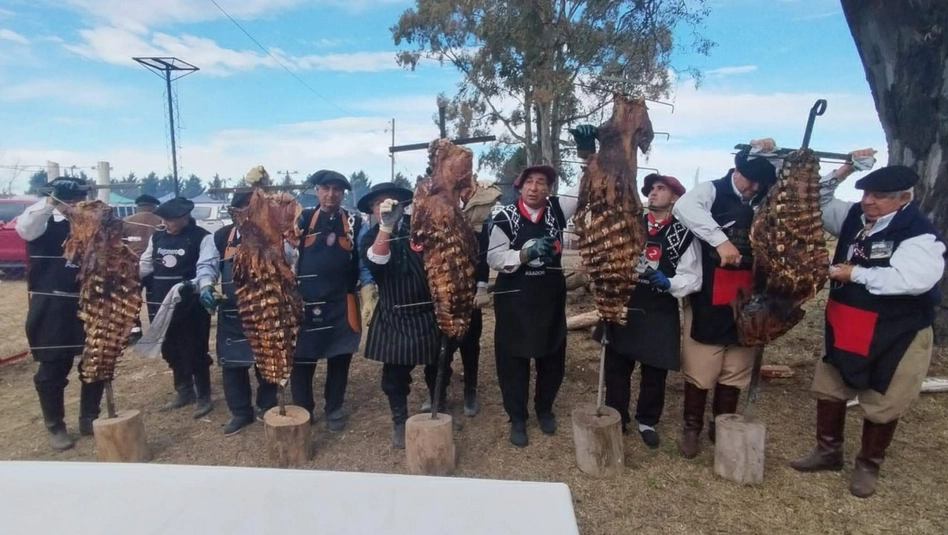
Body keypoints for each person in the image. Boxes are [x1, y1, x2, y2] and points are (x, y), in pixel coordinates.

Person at [790, 161, 944, 498]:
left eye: (879, 196)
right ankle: (828, 451)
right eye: (866, 194)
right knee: (830, 387)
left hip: (896, 330)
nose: (869, 201)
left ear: (904, 198)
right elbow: (818, 201)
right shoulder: (854, 217)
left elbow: (913, 281)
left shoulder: (919, 235)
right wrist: (844, 171)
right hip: (847, 320)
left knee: (885, 396)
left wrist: (855, 274)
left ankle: (868, 464)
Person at [671, 139, 780, 458]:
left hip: (751, 294)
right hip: (711, 291)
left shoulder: (765, 197)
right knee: (702, 365)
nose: (753, 188)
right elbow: (684, 208)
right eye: (750, 181)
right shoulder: (711, 190)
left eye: (759, 183)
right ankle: (692, 427)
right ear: (737, 171)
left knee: (737, 365)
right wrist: (720, 241)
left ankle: (722, 424)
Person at [595, 174, 700, 448]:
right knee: (617, 368)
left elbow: (693, 277)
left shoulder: (683, 234)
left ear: (675, 197)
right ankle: (617, 416)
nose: (652, 193)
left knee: (655, 371)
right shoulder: (631, 226)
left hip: (659, 309)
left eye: (660, 189)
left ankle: (647, 421)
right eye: (651, 189)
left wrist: (670, 283)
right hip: (625, 304)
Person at [487, 165, 577, 447]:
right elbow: (494, 258)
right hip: (515, 300)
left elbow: (584, 187)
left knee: (552, 357)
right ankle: (517, 417)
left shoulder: (558, 210)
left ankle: (544, 409)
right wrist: (525, 254)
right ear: (520, 186)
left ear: (549, 189)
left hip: (549, 298)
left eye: (541, 183)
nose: (534, 188)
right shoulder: (505, 217)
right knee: (513, 360)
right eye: (529, 182)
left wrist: (587, 155)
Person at [16, 177, 103, 451]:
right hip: (52, 303)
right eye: (71, 199)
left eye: (80, 198)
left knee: (97, 361)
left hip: (89, 301)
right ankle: (55, 425)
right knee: (53, 366)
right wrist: (52, 201)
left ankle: (90, 417)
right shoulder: (42, 222)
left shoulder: (93, 226)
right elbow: (25, 229)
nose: (77, 204)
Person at [359, 182, 447, 449]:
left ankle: (439, 409)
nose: (386, 206)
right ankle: (399, 419)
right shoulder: (370, 237)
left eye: (392, 201)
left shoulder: (420, 228)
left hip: (429, 311)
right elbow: (377, 261)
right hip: (394, 314)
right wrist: (387, 227)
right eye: (379, 203)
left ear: (403, 205)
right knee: (394, 376)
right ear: (372, 209)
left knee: (439, 367)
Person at [290, 170, 363, 432]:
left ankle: (334, 408)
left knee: (340, 357)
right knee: (301, 359)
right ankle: (304, 409)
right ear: (317, 191)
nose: (331, 195)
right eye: (326, 189)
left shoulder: (354, 222)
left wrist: (367, 289)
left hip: (342, 301)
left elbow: (362, 260)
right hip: (305, 301)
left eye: (337, 190)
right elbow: (285, 249)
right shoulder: (303, 219)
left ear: (342, 194)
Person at [200, 192, 277, 435]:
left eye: (254, 207)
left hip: (266, 310)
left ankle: (267, 405)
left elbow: (290, 260)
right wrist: (205, 285)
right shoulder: (221, 237)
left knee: (268, 362)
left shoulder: (274, 235)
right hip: (233, 313)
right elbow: (207, 266)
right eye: (244, 208)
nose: (249, 213)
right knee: (232, 366)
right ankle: (241, 412)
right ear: (234, 212)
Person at [140, 197, 218, 418]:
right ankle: (184, 391)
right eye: (163, 219)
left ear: (184, 218)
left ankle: (204, 396)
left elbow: (206, 268)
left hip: (189, 304)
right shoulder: (157, 237)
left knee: (194, 349)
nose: (165, 224)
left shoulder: (203, 237)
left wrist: (195, 286)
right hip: (161, 302)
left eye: (170, 220)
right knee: (170, 348)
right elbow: (145, 265)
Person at [123, 194, 162, 342]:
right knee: (155, 301)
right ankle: (156, 332)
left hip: (131, 267)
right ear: (153, 206)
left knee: (132, 301)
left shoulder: (125, 221)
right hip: (156, 266)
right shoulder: (161, 221)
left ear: (138, 206)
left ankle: (134, 332)